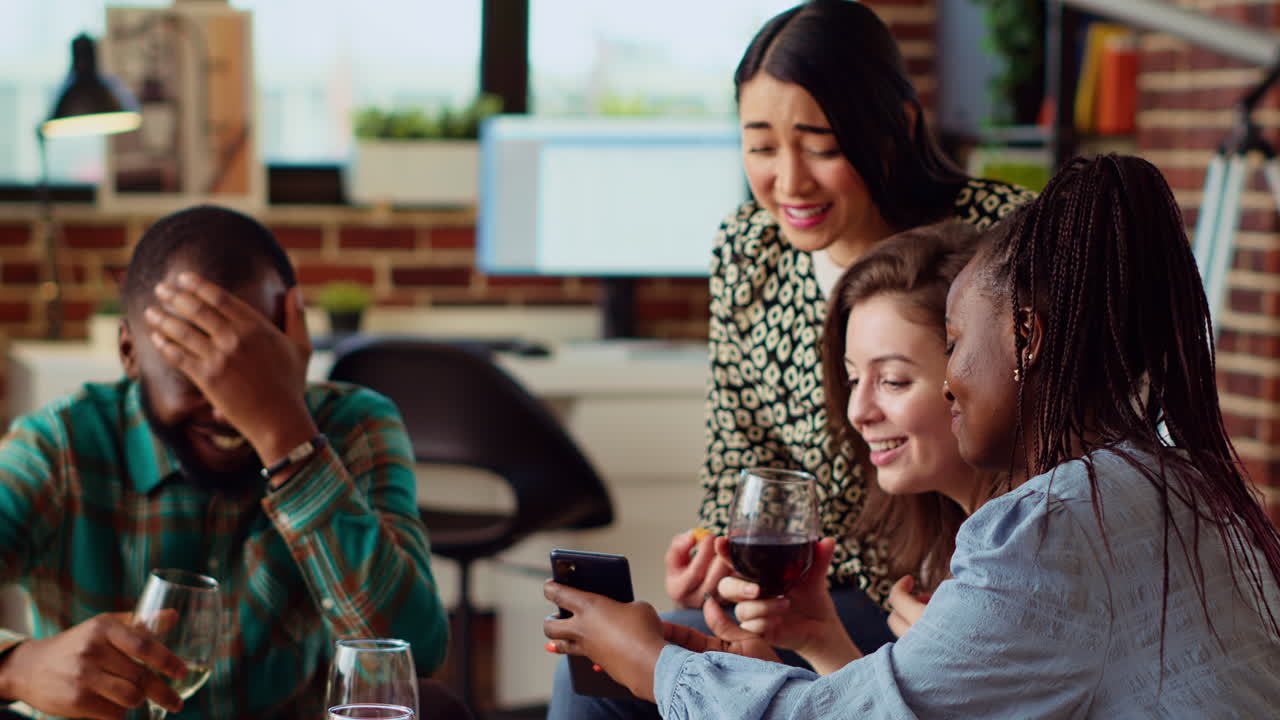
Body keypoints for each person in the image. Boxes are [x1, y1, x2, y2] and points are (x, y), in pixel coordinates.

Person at [543, 154, 1280, 717]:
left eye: (952, 345)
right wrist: (804, 655)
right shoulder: (1183, 487)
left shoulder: (1049, 529)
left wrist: (653, 665)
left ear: (1026, 338)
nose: (951, 381)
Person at [550, 1, 1031, 711]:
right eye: (761, 147)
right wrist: (714, 558)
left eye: (821, 146)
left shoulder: (1001, 239)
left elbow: (1058, 447)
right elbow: (739, 458)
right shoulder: (749, 249)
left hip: (953, 595)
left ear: (896, 127)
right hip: (804, 597)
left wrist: (965, 600)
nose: (789, 181)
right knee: (596, 673)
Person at [0, 205, 449, 719]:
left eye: (252, 366)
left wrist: (286, 435)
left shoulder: (352, 425)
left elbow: (414, 656)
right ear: (129, 352)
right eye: (192, 368)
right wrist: (15, 666)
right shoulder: (61, 446)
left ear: (296, 344)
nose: (226, 408)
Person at [717, 220, 997, 665]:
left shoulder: (1027, 555)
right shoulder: (941, 548)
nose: (857, 412)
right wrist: (821, 641)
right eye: (852, 379)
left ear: (983, 376)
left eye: (893, 381)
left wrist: (962, 668)